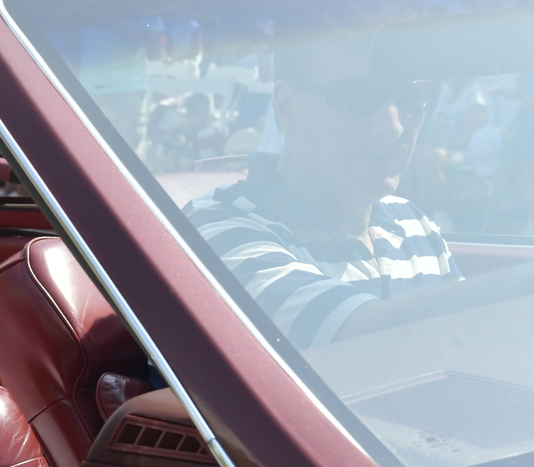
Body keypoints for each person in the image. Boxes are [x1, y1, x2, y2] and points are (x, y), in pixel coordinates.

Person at [182, 31, 534, 348]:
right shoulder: (215, 230)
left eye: (412, 98)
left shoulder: (413, 222)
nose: (393, 127)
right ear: (286, 105)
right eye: (356, 95)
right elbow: (362, 347)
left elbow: (464, 344)